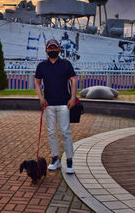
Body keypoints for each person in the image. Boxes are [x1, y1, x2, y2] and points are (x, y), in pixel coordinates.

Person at [35, 38, 77, 174]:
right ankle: (55, 159)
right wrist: (40, 97)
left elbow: (74, 80)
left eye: (54, 48)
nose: (52, 50)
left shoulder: (66, 64)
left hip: (64, 103)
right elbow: (37, 82)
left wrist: (72, 98)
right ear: (46, 50)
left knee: (65, 132)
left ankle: (69, 160)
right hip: (48, 104)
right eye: (50, 48)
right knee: (52, 132)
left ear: (59, 50)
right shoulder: (41, 66)